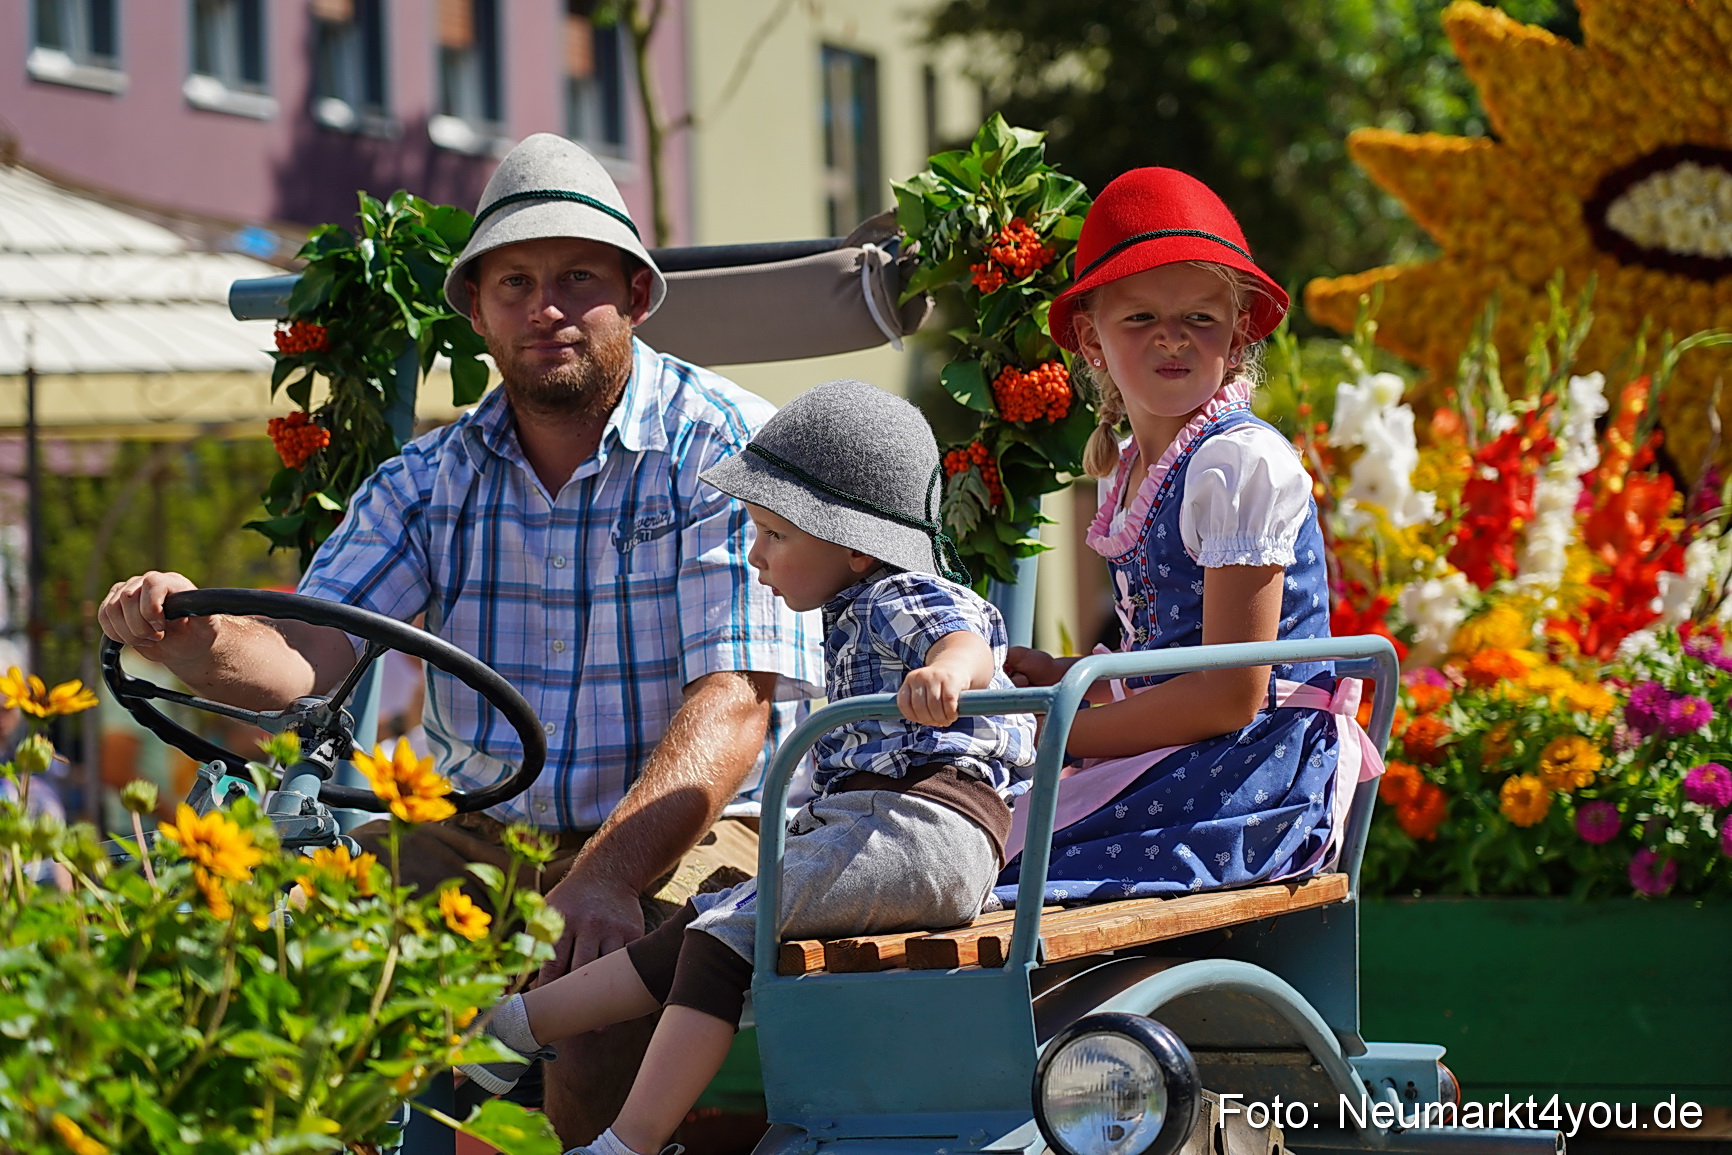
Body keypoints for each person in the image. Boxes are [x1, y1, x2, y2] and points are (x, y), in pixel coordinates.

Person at [95, 133, 821, 1143]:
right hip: (478, 830)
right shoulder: (427, 477)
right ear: (476, 311)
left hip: (693, 832)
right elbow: (306, 661)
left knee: (605, 1022)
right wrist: (187, 639)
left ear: (636, 297)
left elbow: (734, 703)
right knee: (281, 956)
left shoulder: (722, 449)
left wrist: (605, 874)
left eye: (577, 276)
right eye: (514, 282)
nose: (547, 306)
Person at [459, 379, 1036, 1155]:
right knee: (708, 919)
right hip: (879, 826)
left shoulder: (899, 592)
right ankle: (520, 1026)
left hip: (921, 829)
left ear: (856, 543)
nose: (756, 554)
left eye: (774, 534)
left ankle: (627, 1142)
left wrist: (949, 676)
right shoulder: (851, 605)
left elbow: (960, 631)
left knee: (726, 934)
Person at [997, 167, 1383, 904]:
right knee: (973, 825)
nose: (1171, 338)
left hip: (1251, 776)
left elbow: (1231, 693)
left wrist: (1066, 731)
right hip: (1192, 753)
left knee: (1005, 859)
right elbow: (1175, 659)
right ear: (1092, 338)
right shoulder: (1137, 466)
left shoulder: (1239, 461)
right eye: (1139, 318)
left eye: (1199, 320)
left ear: (1236, 339)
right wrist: (1069, 674)